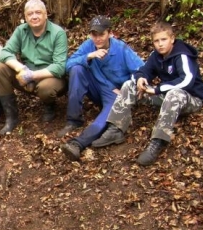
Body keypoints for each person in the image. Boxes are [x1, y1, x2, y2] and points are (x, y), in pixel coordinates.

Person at [90, 21, 203, 166]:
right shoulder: (156, 55)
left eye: (163, 40)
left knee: (174, 93)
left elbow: (186, 81)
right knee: (129, 84)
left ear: (172, 38)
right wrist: (141, 79)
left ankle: (158, 141)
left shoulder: (182, 55)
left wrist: (157, 89)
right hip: (167, 96)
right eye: (156, 41)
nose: (160, 44)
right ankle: (116, 128)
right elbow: (143, 70)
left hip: (191, 99)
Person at [60, 16, 144, 161]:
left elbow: (141, 70)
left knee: (105, 117)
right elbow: (68, 65)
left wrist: (126, 89)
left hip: (114, 93)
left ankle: (78, 143)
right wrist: (89, 56)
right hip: (96, 86)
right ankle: (73, 120)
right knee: (77, 69)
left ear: (110, 33)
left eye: (101, 34)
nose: (97, 38)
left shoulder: (121, 48)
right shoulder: (88, 45)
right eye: (94, 34)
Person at [0, 0, 68, 134]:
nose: (34, 16)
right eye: (30, 14)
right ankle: (11, 117)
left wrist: (31, 76)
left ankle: (49, 106)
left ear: (46, 14)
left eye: (38, 12)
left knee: (46, 89)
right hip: (26, 72)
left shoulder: (58, 33)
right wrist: (21, 69)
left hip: (50, 76)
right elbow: (5, 53)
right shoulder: (21, 31)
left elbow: (59, 67)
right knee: (0, 69)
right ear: (25, 17)